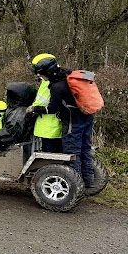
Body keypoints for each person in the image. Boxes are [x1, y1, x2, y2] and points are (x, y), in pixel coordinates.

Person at [31, 54, 95, 187]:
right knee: (85, 149)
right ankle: (89, 181)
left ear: (47, 72)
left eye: (41, 74)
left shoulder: (57, 87)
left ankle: (76, 186)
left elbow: (52, 109)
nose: (40, 77)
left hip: (72, 121)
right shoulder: (68, 75)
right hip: (87, 117)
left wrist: (34, 108)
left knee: (72, 153)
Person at [27, 53, 63, 153]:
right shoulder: (49, 80)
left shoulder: (52, 83)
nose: (38, 74)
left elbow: (52, 106)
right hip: (48, 125)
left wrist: (34, 108)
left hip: (50, 126)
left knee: (50, 156)